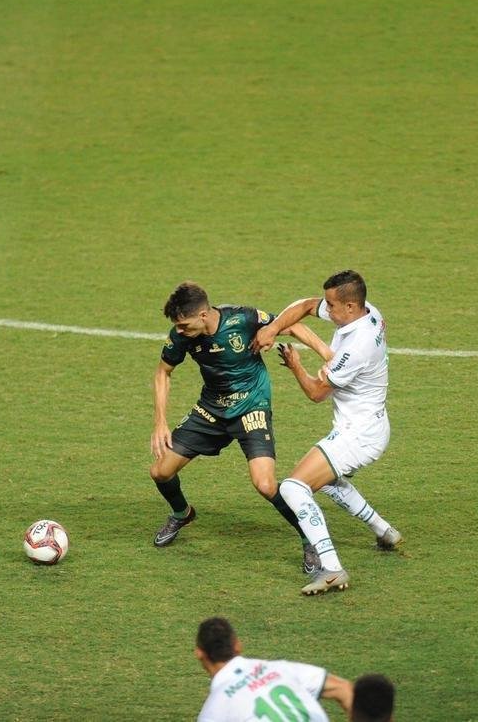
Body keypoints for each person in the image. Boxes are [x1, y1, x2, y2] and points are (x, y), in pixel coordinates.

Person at [150, 281, 329, 575]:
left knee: (265, 484)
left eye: (184, 325)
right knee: (160, 471)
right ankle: (182, 513)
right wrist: (160, 421)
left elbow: (291, 325)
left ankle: (311, 539)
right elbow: (163, 372)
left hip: (251, 408)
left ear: (204, 315)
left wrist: (327, 353)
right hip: (210, 410)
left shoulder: (242, 318)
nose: (179, 331)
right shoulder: (181, 336)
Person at [251, 270, 401, 596]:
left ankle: (332, 569)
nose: (326, 311)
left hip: (358, 434)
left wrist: (295, 365)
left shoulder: (357, 347)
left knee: (293, 488)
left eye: (332, 307)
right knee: (326, 480)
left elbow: (318, 393)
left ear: (350, 306)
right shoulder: (366, 311)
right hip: (370, 424)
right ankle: (384, 531)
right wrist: (273, 328)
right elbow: (305, 306)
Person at [194, 616, 353, 722]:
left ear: (200, 654)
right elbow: (343, 688)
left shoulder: (213, 712)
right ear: (238, 645)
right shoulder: (281, 669)